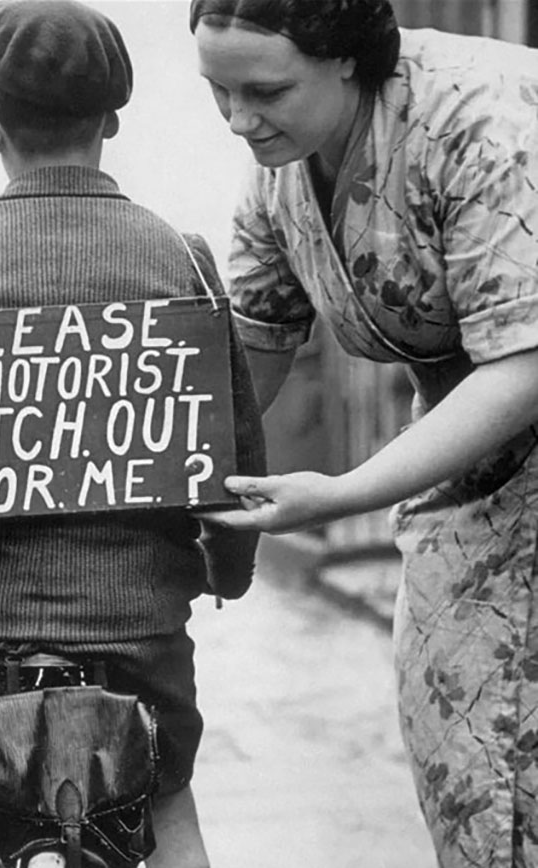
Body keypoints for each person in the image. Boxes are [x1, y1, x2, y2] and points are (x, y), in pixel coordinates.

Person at [0, 2, 265, 867]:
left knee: (1, 808)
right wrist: (226, 576)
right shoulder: (179, 258)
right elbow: (233, 450)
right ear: (112, 121)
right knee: (169, 807)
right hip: (141, 630)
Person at [189, 0, 538, 865]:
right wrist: (161, 473)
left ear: (346, 59)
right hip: (473, 462)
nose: (239, 120)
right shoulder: (280, 167)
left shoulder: (479, 116)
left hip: (509, 395)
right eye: (218, 92)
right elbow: (256, 351)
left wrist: (342, 494)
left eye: (264, 91)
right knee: (469, 754)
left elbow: (523, 364)